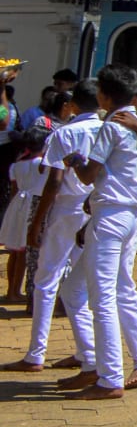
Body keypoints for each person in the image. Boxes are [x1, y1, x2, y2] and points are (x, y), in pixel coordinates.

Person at [70, 64, 137, 398]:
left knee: (102, 296)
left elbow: (87, 174)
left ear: (104, 96)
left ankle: (108, 377)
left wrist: (75, 162)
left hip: (112, 214)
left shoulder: (113, 126)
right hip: (124, 214)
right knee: (77, 288)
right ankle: (92, 364)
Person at [6, 83, 99, 374]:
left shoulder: (66, 133)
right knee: (76, 286)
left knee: (46, 281)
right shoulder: (109, 132)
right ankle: (87, 351)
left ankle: (36, 354)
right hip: (95, 209)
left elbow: (54, 181)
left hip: (67, 207)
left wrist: (37, 222)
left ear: (73, 105)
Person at [3, 126, 50, 304]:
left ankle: (11, 290)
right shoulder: (42, 165)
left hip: (17, 206)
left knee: (15, 251)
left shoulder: (16, 165)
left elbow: (15, 189)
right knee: (24, 252)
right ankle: (16, 291)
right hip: (33, 206)